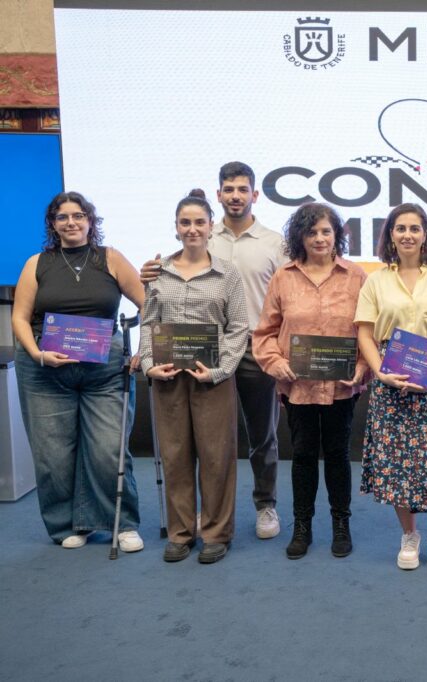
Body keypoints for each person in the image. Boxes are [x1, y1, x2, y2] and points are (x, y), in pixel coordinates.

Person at [142, 162, 287, 540]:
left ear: (255, 195)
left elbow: (288, 297)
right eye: (229, 189)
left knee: (262, 435)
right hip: (202, 352)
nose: (236, 196)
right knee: (205, 440)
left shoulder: (275, 243)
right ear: (218, 194)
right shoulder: (203, 234)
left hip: (256, 347)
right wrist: (149, 274)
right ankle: (204, 512)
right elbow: (170, 283)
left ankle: (265, 504)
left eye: (243, 189)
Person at [12, 191, 146, 551]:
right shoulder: (36, 263)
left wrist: (144, 349)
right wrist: (38, 354)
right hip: (45, 371)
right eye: (62, 217)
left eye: (78, 215)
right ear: (53, 225)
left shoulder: (111, 258)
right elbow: (19, 318)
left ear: (90, 220)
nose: (70, 222)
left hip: (104, 371)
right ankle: (67, 526)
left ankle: (121, 523)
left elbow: (148, 304)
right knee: (53, 455)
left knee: (109, 450)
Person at [355, 203, 427, 570]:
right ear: (390, 234)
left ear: (425, 235)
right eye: (400, 228)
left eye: (414, 228)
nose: (407, 235)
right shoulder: (376, 281)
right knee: (397, 464)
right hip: (390, 381)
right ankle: (409, 535)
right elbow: (365, 333)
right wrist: (380, 373)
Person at [139, 190, 249, 564]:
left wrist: (220, 370)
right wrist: (148, 364)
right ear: (176, 227)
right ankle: (181, 533)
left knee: (217, 458)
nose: (192, 229)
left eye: (199, 222)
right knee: (175, 456)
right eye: (185, 222)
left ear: (210, 226)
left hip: (212, 378)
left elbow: (238, 327)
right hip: (168, 377)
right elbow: (148, 322)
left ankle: (216, 533)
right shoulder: (158, 272)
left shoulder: (227, 274)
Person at [253, 203, 367, 560]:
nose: (319, 238)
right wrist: (275, 362)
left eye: (326, 231)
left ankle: (341, 524)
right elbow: (265, 333)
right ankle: (302, 526)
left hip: (341, 387)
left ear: (337, 235)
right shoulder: (283, 277)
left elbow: (371, 331)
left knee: (337, 454)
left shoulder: (356, 277)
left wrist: (363, 367)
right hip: (298, 386)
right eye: (311, 232)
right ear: (299, 237)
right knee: (302, 455)